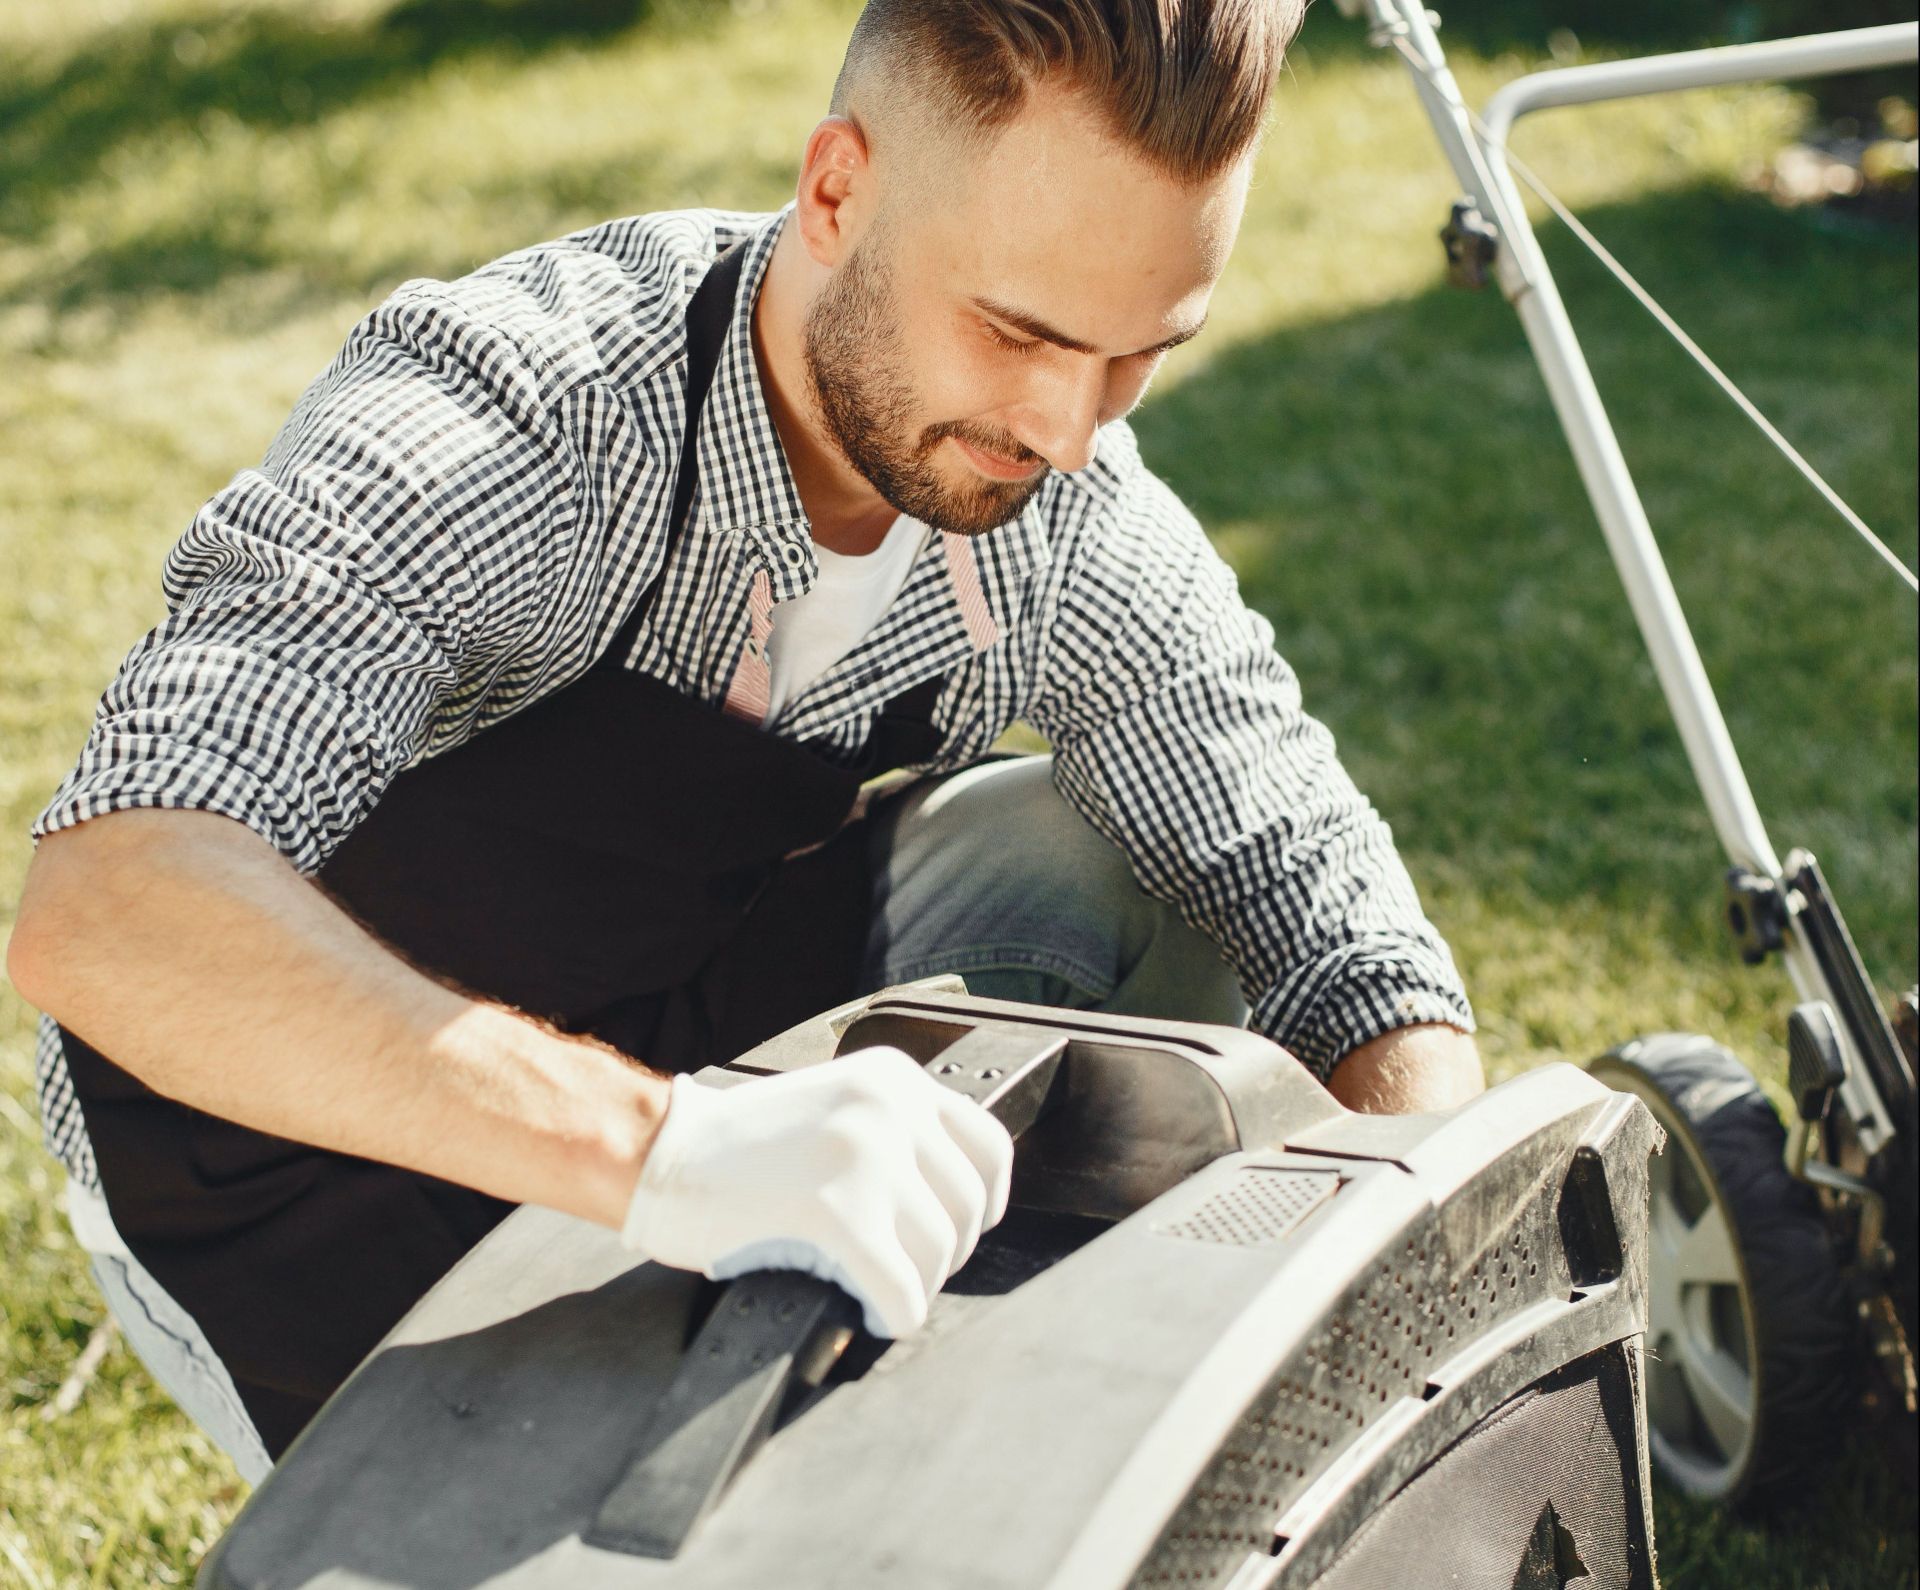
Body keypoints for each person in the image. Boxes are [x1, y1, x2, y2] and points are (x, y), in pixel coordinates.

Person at [8, 0, 1483, 1482]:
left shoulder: (1068, 512)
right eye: (1018, 329)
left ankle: (1093, 1432)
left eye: (1139, 353)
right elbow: (112, 903)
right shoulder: (526, 418)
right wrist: (667, 1155)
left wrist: (1421, 1287)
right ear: (837, 191)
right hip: (273, 1160)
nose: (1066, 430)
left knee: (1132, 855)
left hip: (678, 1011)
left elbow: (1328, 912)